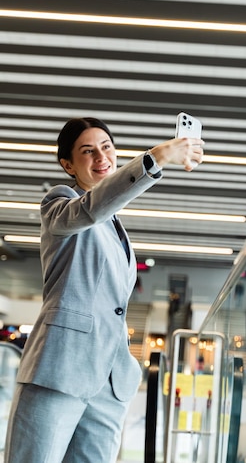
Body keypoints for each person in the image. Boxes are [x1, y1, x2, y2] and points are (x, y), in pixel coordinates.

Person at [4, 116, 204, 463]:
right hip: (60, 371)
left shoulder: (113, 222)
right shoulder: (60, 204)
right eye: (88, 151)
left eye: (107, 147)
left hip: (109, 381)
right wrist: (156, 158)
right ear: (68, 164)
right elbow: (89, 209)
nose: (102, 158)